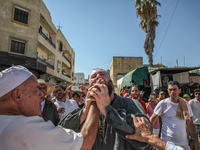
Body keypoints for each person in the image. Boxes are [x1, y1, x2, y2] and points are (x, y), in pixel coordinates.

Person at [0, 65, 100, 149]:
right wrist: (94, 101)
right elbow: (85, 143)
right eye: (36, 91)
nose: (41, 94)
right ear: (18, 96)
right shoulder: (24, 127)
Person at [58, 68, 153, 150]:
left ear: (111, 83)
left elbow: (145, 139)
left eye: (102, 74)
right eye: (93, 76)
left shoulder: (130, 103)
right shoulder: (84, 110)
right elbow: (60, 134)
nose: (98, 77)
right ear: (89, 87)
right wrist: (85, 111)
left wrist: (107, 109)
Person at [150, 81, 200, 150]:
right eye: (170, 90)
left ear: (179, 90)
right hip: (167, 143)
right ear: (168, 91)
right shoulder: (163, 104)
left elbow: (190, 123)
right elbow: (152, 119)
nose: (172, 92)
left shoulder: (185, 104)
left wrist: (196, 140)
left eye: (174, 89)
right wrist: (150, 135)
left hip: (183, 143)